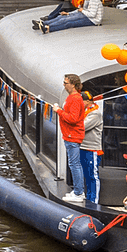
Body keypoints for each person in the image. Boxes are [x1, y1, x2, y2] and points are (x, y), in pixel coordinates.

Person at [54, 74, 87, 203]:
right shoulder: (73, 98)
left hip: (72, 135)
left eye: (66, 82)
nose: (64, 84)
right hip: (70, 134)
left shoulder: (75, 99)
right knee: (74, 164)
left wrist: (59, 111)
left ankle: (79, 192)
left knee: (74, 164)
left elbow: (73, 119)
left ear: (73, 84)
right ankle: (78, 190)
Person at [37, 0, 103, 33]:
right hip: (86, 16)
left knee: (69, 23)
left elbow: (92, 14)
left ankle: (48, 27)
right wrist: (70, 13)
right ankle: (45, 24)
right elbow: (84, 10)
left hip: (93, 20)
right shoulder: (89, 0)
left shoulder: (94, 1)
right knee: (64, 18)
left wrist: (82, 10)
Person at [80, 91, 103, 204]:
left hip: (92, 149)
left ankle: (94, 201)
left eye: (82, 101)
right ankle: (88, 198)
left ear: (88, 101)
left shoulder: (95, 113)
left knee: (92, 176)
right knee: (86, 175)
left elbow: (82, 127)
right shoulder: (84, 111)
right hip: (83, 147)